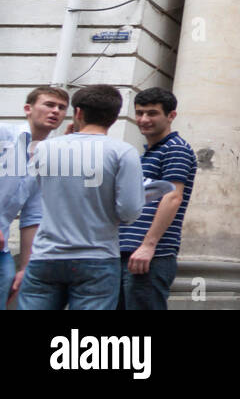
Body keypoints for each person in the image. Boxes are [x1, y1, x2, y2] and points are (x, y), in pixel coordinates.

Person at [17, 85, 144, 310]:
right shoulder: (124, 152)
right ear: (114, 117)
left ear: (78, 113)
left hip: (46, 255)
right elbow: (129, 212)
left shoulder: (43, 149)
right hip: (98, 256)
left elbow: (41, 191)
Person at [118, 87, 197, 310]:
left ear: (171, 116)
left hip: (151, 255)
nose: (143, 119)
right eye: (140, 112)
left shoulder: (176, 149)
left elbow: (172, 197)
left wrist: (148, 245)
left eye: (152, 113)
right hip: (127, 251)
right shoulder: (145, 155)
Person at [0, 85, 68, 307]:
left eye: (61, 107)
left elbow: (32, 215)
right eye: (49, 104)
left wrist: (25, 267)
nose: (55, 111)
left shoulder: (46, 157)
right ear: (28, 108)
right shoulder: (4, 135)